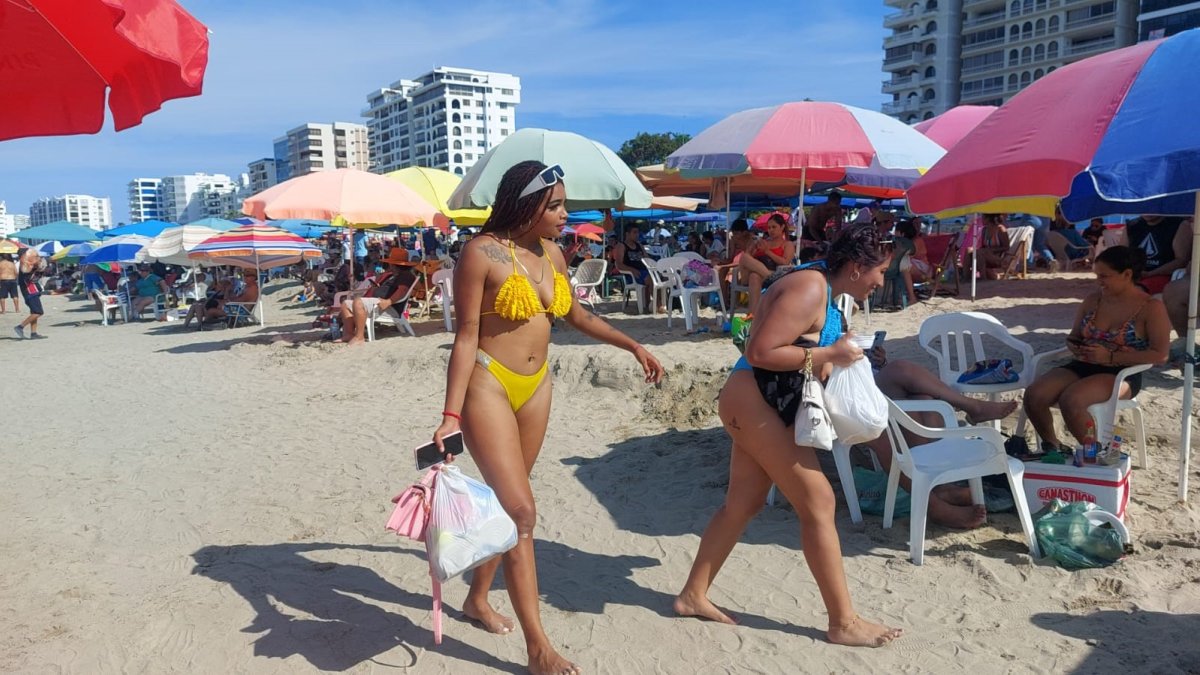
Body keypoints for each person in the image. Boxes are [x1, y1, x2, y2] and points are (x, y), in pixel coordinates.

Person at [430, 161, 663, 675]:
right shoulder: (481, 253)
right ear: (527, 204)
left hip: (537, 388)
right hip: (488, 384)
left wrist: (632, 344)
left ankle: (476, 599)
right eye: (556, 205)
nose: (565, 215)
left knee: (508, 507)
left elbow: (576, 316)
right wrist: (449, 415)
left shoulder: (552, 254)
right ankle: (539, 650)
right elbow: (465, 337)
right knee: (522, 512)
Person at [675, 224, 902, 647]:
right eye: (881, 272)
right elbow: (759, 351)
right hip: (753, 400)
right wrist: (832, 353)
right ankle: (843, 622)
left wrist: (849, 354)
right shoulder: (811, 288)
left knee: (743, 502)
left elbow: (800, 347)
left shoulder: (822, 285)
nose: (880, 282)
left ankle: (692, 595)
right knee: (819, 499)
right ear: (856, 267)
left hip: (757, 400)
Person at [1024, 246, 1170, 451]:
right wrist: (1074, 345)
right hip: (1084, 363)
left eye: (1104, 276)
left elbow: (1161, 354)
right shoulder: (1094, 300)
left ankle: (1094, 453)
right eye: (1097, 275)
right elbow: (1074, 335)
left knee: (1072, 401)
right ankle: (1053, 445)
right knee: (1034, 395)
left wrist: (1111, 357)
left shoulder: (1150, 307)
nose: (1098, 281)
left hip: (1123, 373)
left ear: (1127, 274)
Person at [864, 347, 1018, 528]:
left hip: (870, 382)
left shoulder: (832, 322)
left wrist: (877, 362)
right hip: (850, 393)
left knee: (923, 399)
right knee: (898, 370)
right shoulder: (824, 330)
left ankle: (940, 486)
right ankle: (935, 504)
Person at [338, 248, 418, 345]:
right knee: (346, 304)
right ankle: (349, 334)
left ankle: (359, 336)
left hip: (389, 306)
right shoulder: (393, 275)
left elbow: (402, 290)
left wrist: (389, 301)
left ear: (393, 264)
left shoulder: (405, 275)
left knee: (358, 302)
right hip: (380, 303)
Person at [738, 214, 795, 316]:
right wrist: (752, 247)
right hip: (759, 273)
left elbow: (785, 262)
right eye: (769, 228)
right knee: (744, 257)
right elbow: (749, 259)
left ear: (782, 227)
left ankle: (752, 316)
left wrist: (767, 252)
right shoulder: (763, 242)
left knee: (754, 276)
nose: (771, 230)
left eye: (774, 227)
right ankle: (768, 276)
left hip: (775, 273)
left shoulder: (787, 244)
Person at [1120, 214, 1193, 294]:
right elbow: (1120, 255)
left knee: (1135, 291)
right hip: (1133, 275)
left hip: (1164, 276)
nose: (1148, 210)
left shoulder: (1179, 225)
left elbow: (1181, 260)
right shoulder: (1131, 226)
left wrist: (1150, 274)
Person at [612, 225, 651, 310]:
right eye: (634, 232)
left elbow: (647, 259)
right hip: (632, 275)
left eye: (638, 232)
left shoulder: (639, 245)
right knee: (651, 279)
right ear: (627, 234)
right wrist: (631, 269)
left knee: (661, 277)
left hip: (644, 271)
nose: (637, 235)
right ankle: (654, 305)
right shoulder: (621, 246)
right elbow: (618, 264)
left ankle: (657, 304)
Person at [893, 219, 929, 305]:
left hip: (922, 267)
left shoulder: (915, 241)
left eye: (896, 231)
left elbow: (912, 254)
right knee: (904, 264)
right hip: (916, 264)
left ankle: (911, 297)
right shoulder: (909, 241)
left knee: (905, 264)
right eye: (916, 223)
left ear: (901, 233)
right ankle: (908, 296)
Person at [14, 248, 45, 339]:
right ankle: (20, 327)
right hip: (30, 292)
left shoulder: (26, 265)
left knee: (34, 312)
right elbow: (29, 276)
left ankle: (33, 333)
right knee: (38, 312)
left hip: (32, 292)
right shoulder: (24, 266)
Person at [976, 214, 1010, 280]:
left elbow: (1006, 247)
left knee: (981, 252)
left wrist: (992, 250)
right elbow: (983, 246)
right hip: (985, 255)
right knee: (969, 250)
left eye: (983, 217)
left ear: (988, 219)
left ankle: (983, 278)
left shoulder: (1000, 229)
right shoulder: (984, 230)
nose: (981, 219)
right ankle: (967, 278)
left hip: (999, 257)